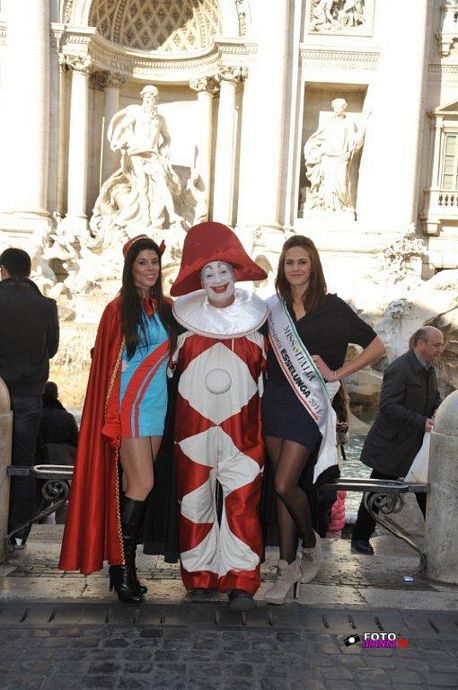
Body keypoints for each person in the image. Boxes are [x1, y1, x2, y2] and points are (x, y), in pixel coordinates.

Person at [262, 234, 385, 604]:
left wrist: (337, 373)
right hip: (274, 401)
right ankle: (286, 569)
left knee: (285, 482)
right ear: (282, 267)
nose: (295, 268)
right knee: (282, 489)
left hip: (308, 405)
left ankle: (311, 545)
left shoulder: (333, 307)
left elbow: (377, 346)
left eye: (302, 261)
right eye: (289, 262)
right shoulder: (273, 308)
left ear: (313, 264)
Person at [59, 235, 177, 604]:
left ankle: (125, 567)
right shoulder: (117, 309)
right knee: (143, 483)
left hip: (157, 407)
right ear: (130, 268)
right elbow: (106, 363)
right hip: (130, 406)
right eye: (143, 262)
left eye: (154, 261)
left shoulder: (167, 308)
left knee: (132, 485)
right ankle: (121, 570)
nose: (150, 268)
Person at [170, 221, 268, 612]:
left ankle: (241, 580)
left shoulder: (260, 326)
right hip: (191, 435)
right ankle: (199, 576)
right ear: (199, 281)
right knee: (194, 505)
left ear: (235, 274)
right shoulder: (180, 327)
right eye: (208, 273)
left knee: (242, 504)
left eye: (222, 270)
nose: (217, 279)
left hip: (244, 436)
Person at [351, 326, 444, 555]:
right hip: (391, 445)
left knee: (423, 492)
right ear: (420, 344)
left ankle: (439, 542)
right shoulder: (400, 369)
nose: (441, 349)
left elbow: (434, 399)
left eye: (441, 345)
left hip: (412, 446)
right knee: (377, 491)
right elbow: (388, 406)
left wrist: (444, 412)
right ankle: (360, 539)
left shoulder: (428, 369)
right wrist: (421, 421)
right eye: (437, 344)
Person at [0, 248, 59, 548]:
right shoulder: (46, 306)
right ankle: (18, 532)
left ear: (3, 270)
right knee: (23, 463)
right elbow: (52, 349)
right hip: (29, 394)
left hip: (0, 390)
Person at [92, 85, 182, 235]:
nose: (149, 99)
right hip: (137, 153)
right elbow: (122, 127)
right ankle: (146, 218)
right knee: (142, 185)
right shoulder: (136, 113)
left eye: (152, 97)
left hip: (153, 155)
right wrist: (115, 141)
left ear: (156, 99)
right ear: (143, 97)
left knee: (162, 184)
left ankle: (172, 215)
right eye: (147, 96)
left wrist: (163, 150)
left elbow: (167, 138)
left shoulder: (160, 120)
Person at [303, 98, 366, 212]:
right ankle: (328, 207)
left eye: (339, 107)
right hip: (327, 157)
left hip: (341, 158)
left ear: (344, 108)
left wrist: (362, 130)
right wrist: (315, 151)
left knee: (342, 185)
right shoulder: (328, 123)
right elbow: (317, 138)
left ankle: (341, 206)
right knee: (327, 184)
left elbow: (353, 141)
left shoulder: (349, 124)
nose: (337, 109)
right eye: (335, 107)